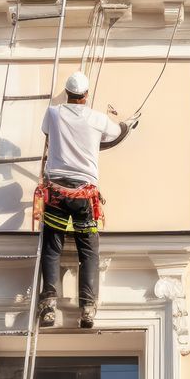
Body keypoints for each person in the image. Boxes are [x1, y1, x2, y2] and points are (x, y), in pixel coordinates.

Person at [35, 70, 134, 330]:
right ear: (86, 95)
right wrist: (128, 124)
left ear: (67, 94)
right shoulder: (97, 119)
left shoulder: (53, 113)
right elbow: (118, 133)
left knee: (52, 247)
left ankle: (48, 306)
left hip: (56, 193)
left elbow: (48, 135)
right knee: (88, 252)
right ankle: (87, 309)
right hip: (84, 197)